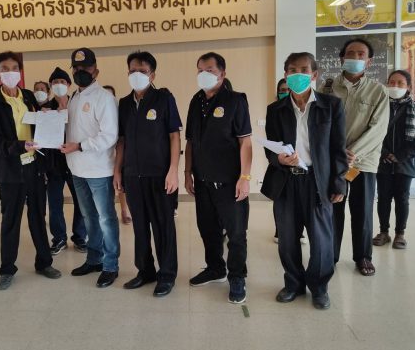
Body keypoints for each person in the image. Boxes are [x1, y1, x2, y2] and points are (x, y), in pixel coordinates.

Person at [261, 52, 347, 310]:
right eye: (292, 70)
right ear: (285, 75)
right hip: (287, 181)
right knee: (287, 238)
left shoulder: (331, 105)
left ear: (314, 74)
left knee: (321, 240)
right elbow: (270, 148)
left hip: (318, 181)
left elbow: (338, 148)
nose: (297, 74)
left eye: (303, 70)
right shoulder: (275, 109)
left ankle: (319, 287)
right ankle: (293, 284)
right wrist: (279, 159)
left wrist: (339, 182)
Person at [0, 51, 61, 290]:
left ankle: (44, 262)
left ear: (20, 71)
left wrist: (44, 117)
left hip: (34, 167)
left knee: (38, 217)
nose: (10, 72)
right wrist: (18, 146)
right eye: (5, 69)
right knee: (10, 221)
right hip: (10, 170)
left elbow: (38, 125)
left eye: (14, 68)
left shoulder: (28, 97)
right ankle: (7, 269)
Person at [184, 52, 252, 304]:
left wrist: (245, 177)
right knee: (208, 229)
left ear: (222, 73)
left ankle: (237, 276)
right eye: (200, 69)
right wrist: (187, 173)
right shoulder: (195, 101)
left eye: (210, 70)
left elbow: (245, 142)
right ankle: (215, 268)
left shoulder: (236, 100)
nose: (204, 74)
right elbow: (190, 141)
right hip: (202, 181)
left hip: (229, 182)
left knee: (236, 233)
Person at [114, 50, 182, 297]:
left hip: (160, 175)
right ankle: (145, 271)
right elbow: (122, 141)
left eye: (142, 71)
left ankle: (167, 274)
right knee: (140, 227)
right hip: (133, 175)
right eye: (133, 70)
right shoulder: (124, 104)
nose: (137, 74)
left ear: (152, 74)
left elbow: (174, 136)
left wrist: (173, 171)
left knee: (163, 227)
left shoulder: (164, 98)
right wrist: (117, 171)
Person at [320, 38, 389, 276]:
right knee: (332, 207)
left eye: (361, 54)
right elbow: (320, 123)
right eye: (351, 53)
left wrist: (353, 153)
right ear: (342, 58)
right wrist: (337, 153)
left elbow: (378, 128)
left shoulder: (378, 91)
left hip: (363, 162)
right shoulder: (327, 88)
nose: (356, 58)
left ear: (369, 61)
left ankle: (363, 257)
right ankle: (330, 255)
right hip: (333, 161)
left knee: (363, 209)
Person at [60, 47, 120, 288]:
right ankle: (94, 259)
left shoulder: (104, 98)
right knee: (89, 217)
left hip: (99, 171)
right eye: (76, 67)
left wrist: (80, 146)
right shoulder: (74, 97)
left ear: (96, 70)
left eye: (86, 67)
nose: (80, 71)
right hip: (77, 170)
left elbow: (110, 136)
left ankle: (110, 265)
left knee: (106, 219)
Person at [373, 70, 415, 250]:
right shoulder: (379, 106)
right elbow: (373, 133)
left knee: (402, 199)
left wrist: (400, 156)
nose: (395, 86)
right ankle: (383, 232)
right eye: (391, 82)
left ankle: (400, 233)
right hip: (382, 161)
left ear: (408, 87)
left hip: (405, 163)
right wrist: (385, 153)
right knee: (383, 198)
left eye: (400, 83)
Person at [45, 67, 87, 254]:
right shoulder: (45, 109)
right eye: (55, 82)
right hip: (53, 163)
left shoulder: (77, 104)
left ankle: (80, 236)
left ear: (69, 84)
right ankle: (59, 238)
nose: (59, 85)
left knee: (81, 201)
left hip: (76, 161)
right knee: (55, 203)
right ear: (51, 86)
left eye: (62, 82)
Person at [271, 79, 307, 245]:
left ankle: (299, 232)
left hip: (304, 166)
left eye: (287, 89)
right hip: (282, 166)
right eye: (281, 90)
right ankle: (280, 230)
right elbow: (271, 141)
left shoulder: (306, 110)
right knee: (281, 201)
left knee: (301, 203)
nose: (284, 92)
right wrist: (279, 158)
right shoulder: (274, 110)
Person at [104, 84, 132, 224]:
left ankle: (124, 211)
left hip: (120, 151)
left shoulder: (120, 110)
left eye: (110, 95)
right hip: (104, 154)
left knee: (121, 182)